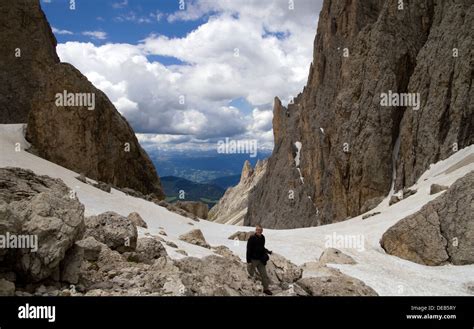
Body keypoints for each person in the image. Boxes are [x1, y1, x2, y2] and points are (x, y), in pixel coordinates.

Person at [246, 224, 273, 295]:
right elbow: (248, 250)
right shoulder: (251, 238)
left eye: (260, 230)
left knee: (264, 275)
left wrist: (268, 251)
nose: (258, 231)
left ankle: (266, 289)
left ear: (262, 231)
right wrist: (248, 261)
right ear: (255, 230)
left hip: (261, 260)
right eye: (257, 230)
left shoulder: (263, 237)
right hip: (253, 260)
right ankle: (249, 290)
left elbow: (262, 247)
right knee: (250, 275)